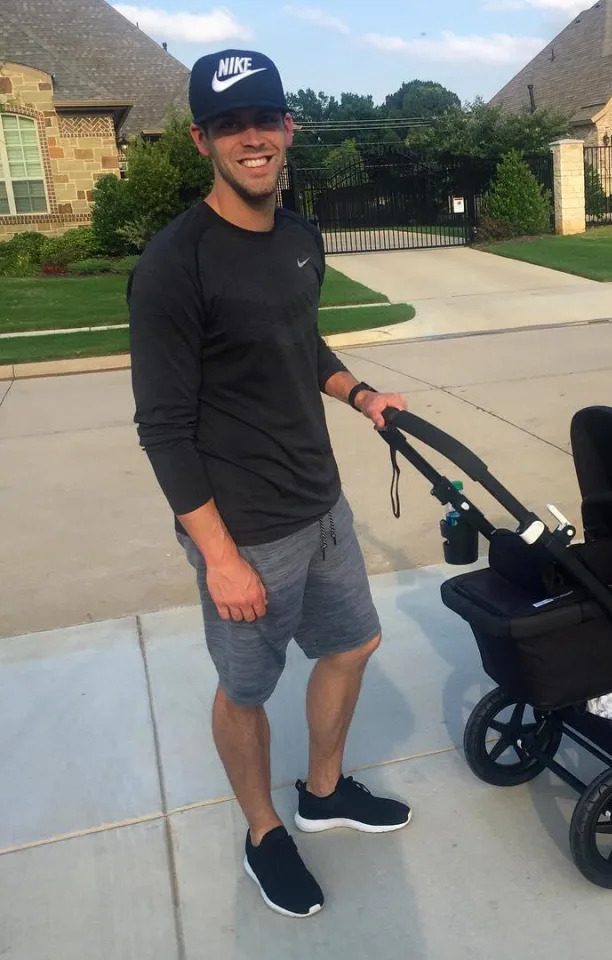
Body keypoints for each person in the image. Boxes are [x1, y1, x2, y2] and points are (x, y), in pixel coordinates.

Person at [127, 48, 411, 920]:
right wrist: (219, 556)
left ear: (289, 127)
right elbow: (164, 428)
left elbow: (300, 342)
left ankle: (322, 794)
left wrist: (358, 392)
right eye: (228, 124)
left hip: (322, 506)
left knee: (353, 643)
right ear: (201, 139)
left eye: (264, 119)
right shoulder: (176, 265)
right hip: (243, 530)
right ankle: (263, 832)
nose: (251, 138)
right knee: (246, 692)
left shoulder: (300, 236)